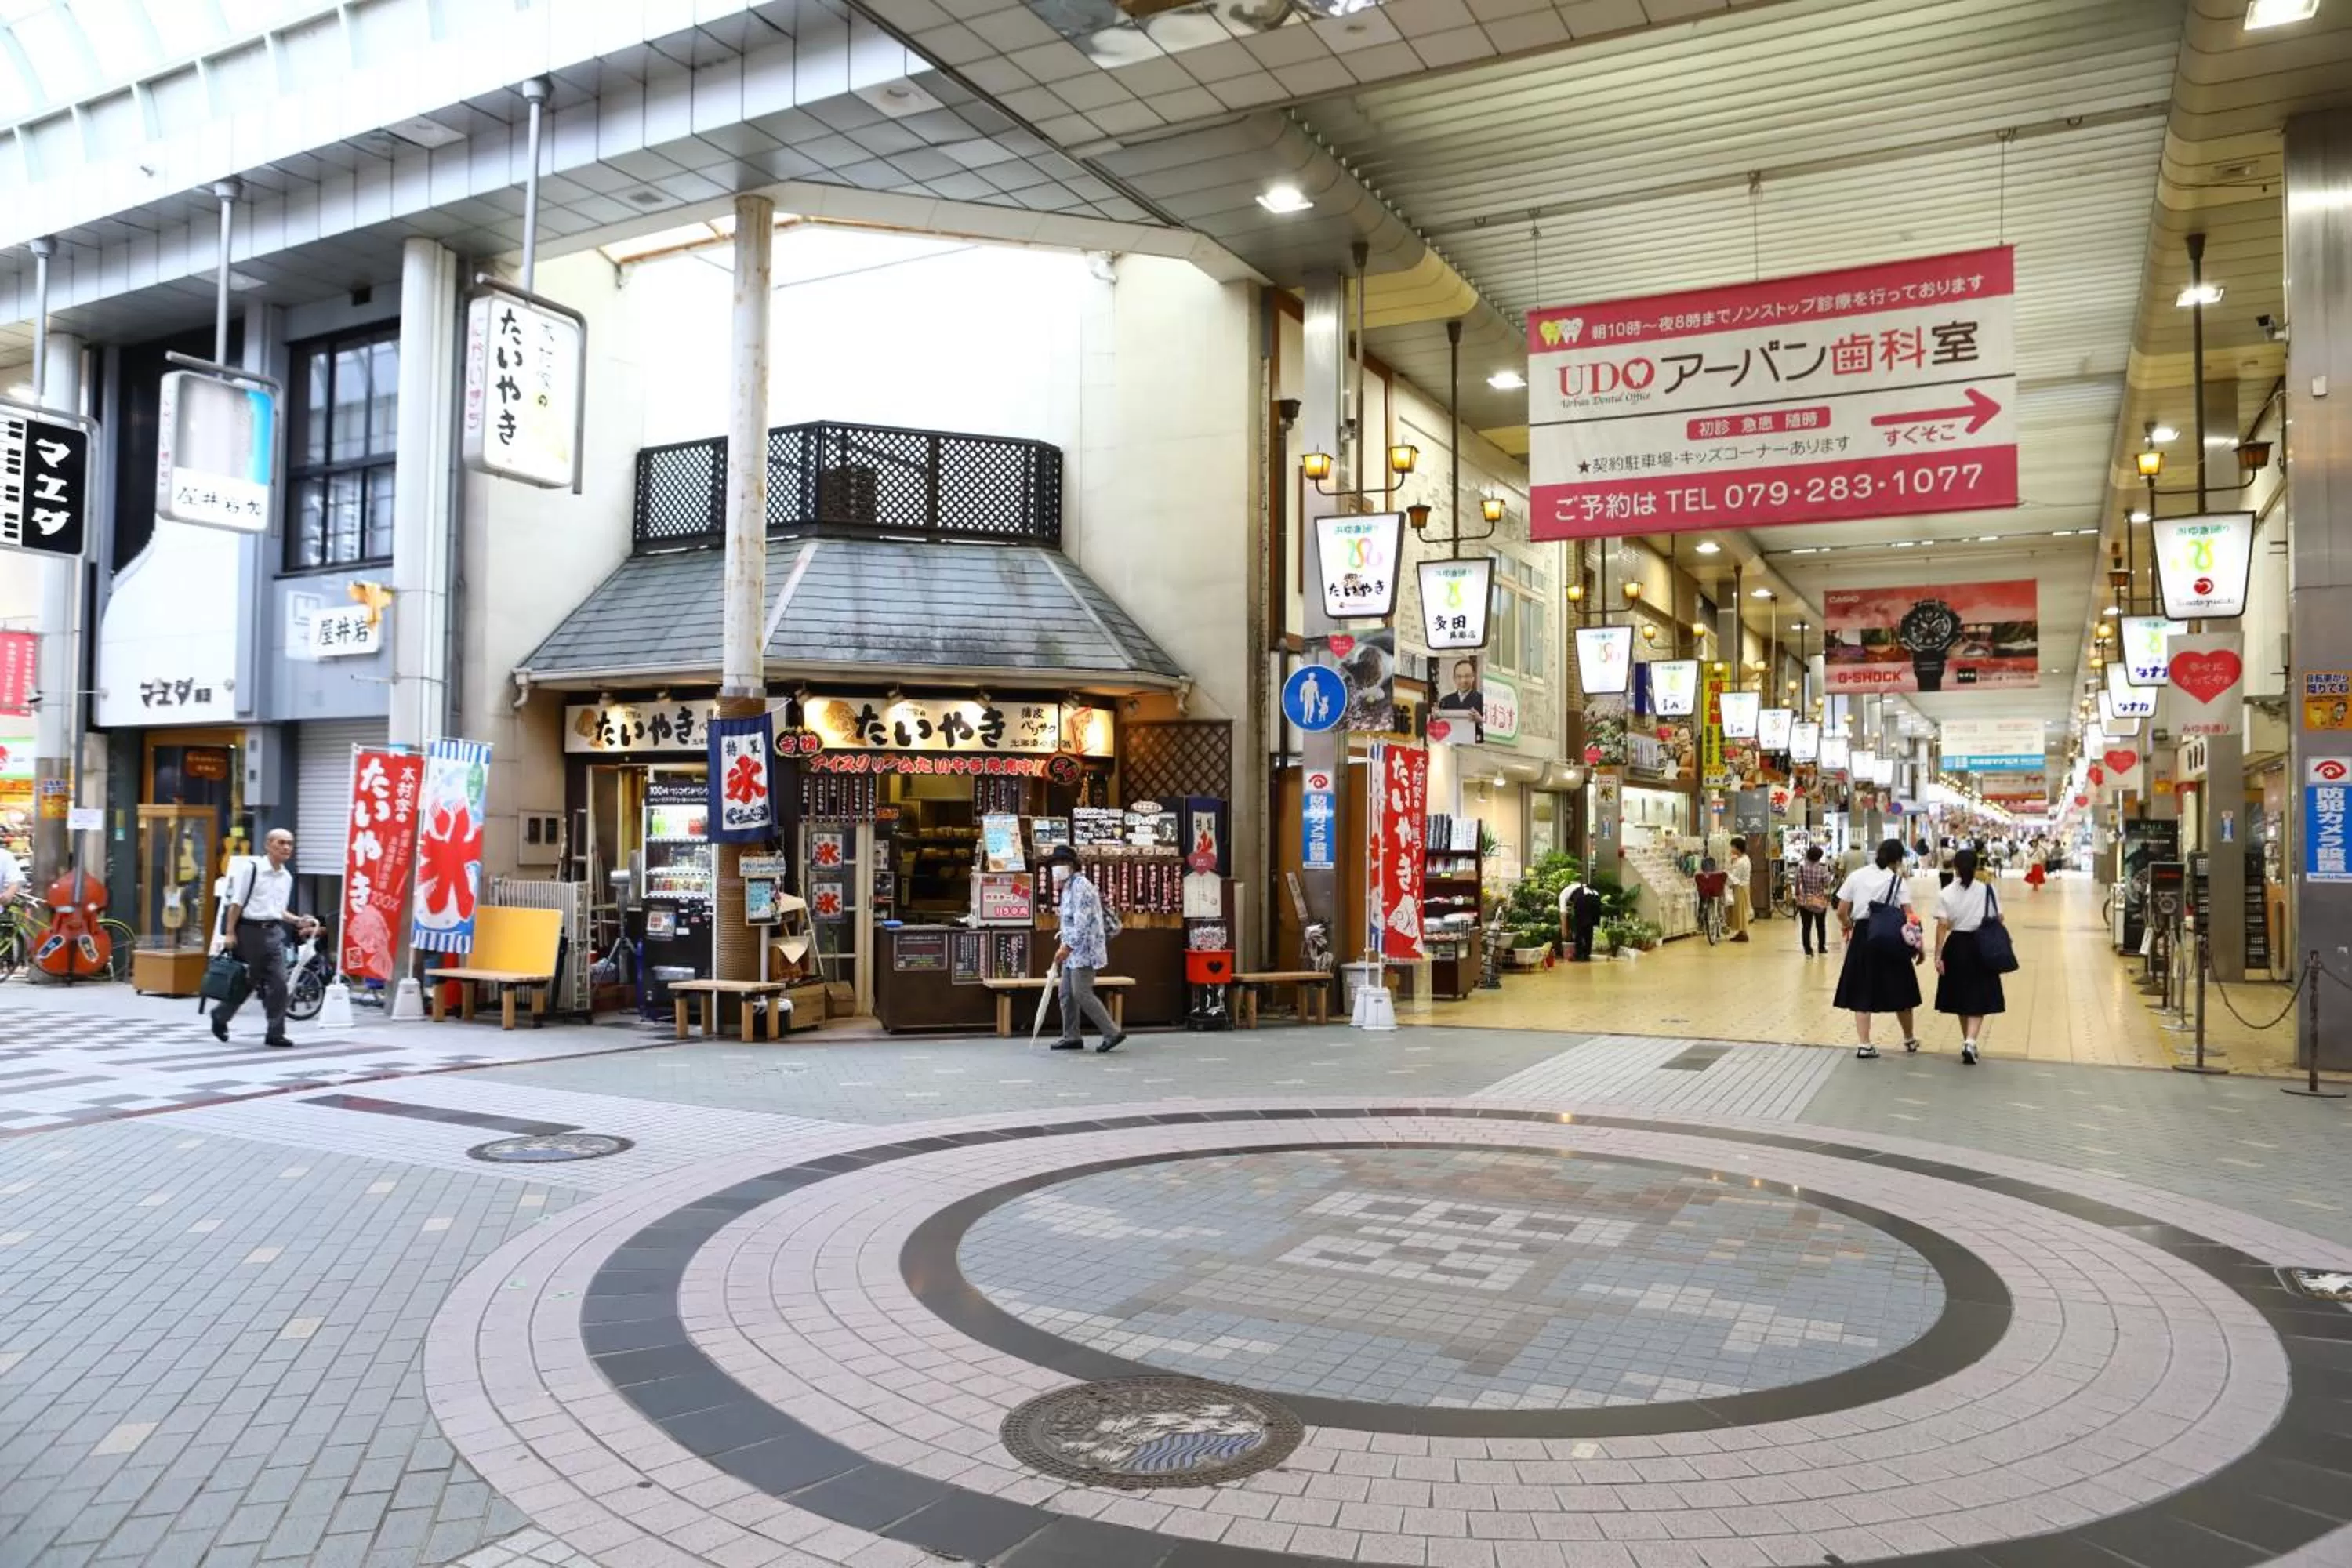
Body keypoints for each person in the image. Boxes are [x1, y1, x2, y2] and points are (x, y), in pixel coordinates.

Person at [209, 828, 320, 1047]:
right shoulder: (252, 870)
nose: (286, 848)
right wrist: (230, 933)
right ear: (268, 845)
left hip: (274, 932)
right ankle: (220, 1016)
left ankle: (275, 1032)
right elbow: (236, 904)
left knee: (280, 983)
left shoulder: (286, 877)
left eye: (290, 844)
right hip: (249, 931)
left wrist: (298, 920)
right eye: (281, 843)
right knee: (247, 982)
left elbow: (278, 910)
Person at [1833, 837, 1923, 1060]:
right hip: (1891, 935)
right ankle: (1909, 1039)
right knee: (1901, 986)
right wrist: (1919, 944)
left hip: (1863, 935)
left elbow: (1841, 910)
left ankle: (1864, 1044)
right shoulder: (1897, 881)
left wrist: (1848, 926)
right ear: (1899, 860)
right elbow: (1910, 915)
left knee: (1862, 988)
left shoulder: (1856, 876)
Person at [1046, 844, 1126, 1053]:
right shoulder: (1067, 886)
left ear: (1073, 865)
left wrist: (1068, 947)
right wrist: (1065, 945)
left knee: (1081, 992)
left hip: (1084, 949)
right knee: (1066, 993)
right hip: (1072, 948)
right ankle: (1071, 1035)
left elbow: (1081, 923)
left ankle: (1112, 1032)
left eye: (1062, 863)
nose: (1058, 867)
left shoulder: (1080, 885)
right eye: (1055, 863)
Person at [1932, 847, 2005, 1065]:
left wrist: (1938, 956)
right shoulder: (1988, 891)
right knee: (1979, 997)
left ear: (1954, 867)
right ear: (1976, 866)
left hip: (1956, 946)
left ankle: (1968, 1041)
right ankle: (1970, 1041)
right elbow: (1999, 918)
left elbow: (1942, 926)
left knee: (1961, 996)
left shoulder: (1945, 893)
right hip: (1981, 946)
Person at [1791, 844, 1833, 956]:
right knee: (1821, 926)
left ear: (1808, 855)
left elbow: (1796, 883)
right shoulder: (1822, 869)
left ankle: (1808, 950)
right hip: (1819, 900)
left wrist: (1797, 895)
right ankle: (1821, 948)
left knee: (1806, 926)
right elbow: (1827, 883)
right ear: (1819, 857)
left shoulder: (1801, 868)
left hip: (1805, 900)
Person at [1433, 658, 1485, 743]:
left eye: (1467, 676)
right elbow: (1437, 734)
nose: (1463, 680)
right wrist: (1435, 719)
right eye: (1459, 677)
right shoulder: (1445, 701)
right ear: (1454, 679)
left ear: (1473, 677)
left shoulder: (1483, 700)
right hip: (1451, 749)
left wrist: (1480, 721)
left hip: (1476, 749)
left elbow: (1494, 734)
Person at [1726, 836, 1753, 942]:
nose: (1731, 849)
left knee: (1740, 910)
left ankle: (1743, 933)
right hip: (1742, 886)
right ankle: (1741, 932)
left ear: (1737, 848)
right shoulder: (1743, 859)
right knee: (1740, 910)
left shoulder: (1742, 862)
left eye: (1732, 846)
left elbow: (1735, 877)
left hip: (1740, 887)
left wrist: (1726, 874)